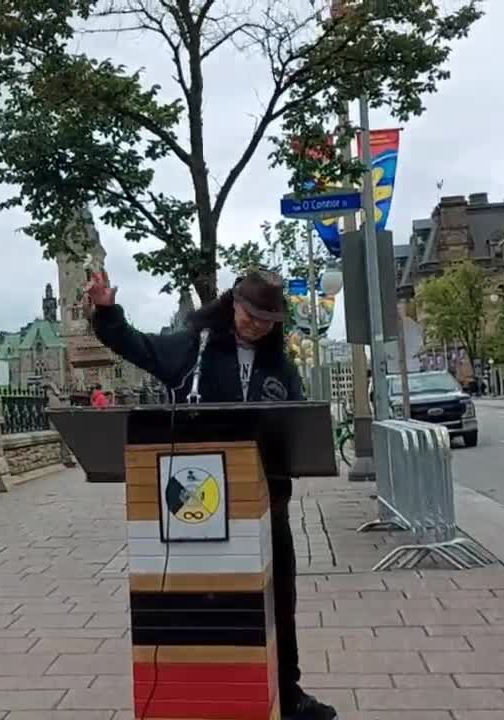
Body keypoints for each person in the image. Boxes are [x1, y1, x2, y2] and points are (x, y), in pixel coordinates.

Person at [87, 269, 336, 720]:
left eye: (268, 318)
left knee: (279, 598)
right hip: (198, 504)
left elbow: (296, 427)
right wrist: (107, 311)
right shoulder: (192, 347)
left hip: (266, 505)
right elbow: (135, 344)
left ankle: (288, 692)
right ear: (231, 304)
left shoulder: (280, 366)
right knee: (209, 602)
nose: (258, 324)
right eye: (251, 313)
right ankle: (206, 693)